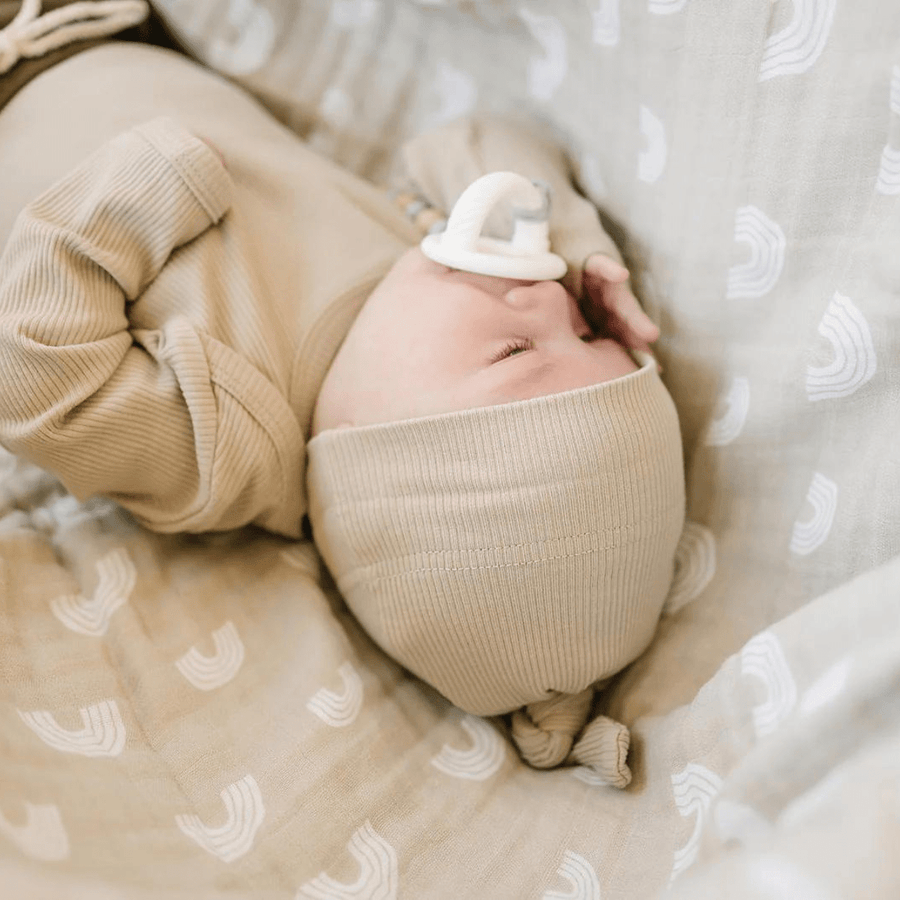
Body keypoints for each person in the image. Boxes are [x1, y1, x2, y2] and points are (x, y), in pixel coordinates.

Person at [0, 15, 684, 785]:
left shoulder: (230, 446)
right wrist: (574, 239)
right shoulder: (417, 256)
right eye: (590, 333)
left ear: (378, 454)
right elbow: (474, 140)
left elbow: (38, 384)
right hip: (105, 27)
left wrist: (128, 204)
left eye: (517, 350)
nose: (548, 303)